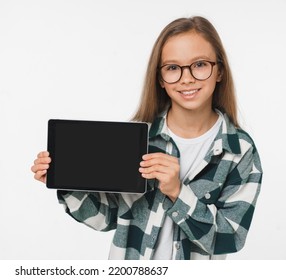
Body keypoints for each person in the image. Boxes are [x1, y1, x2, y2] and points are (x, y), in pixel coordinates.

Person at [30, 16, 262, 260]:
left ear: (220, 71)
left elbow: (230, 237)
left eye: (200, 64)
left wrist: (177, 191)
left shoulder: (240, 150)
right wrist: (64, 178)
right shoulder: (137, 139)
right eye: (173, 68)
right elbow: (106, 218)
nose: (186, 78)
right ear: (160, 79)